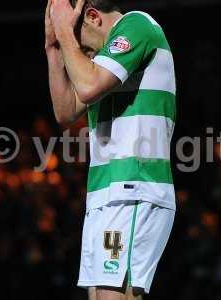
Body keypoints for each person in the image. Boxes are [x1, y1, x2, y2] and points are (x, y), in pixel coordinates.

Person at [45, 0, 177, 299]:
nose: (74, 51)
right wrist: (53, 47)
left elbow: (88, 87)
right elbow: (65, 112)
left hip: (133, 187)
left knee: (114, 296)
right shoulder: (103, 63)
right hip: (106, 193)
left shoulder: (138, 25)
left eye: (77, 40)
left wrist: (66, 32)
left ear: (92, 16)